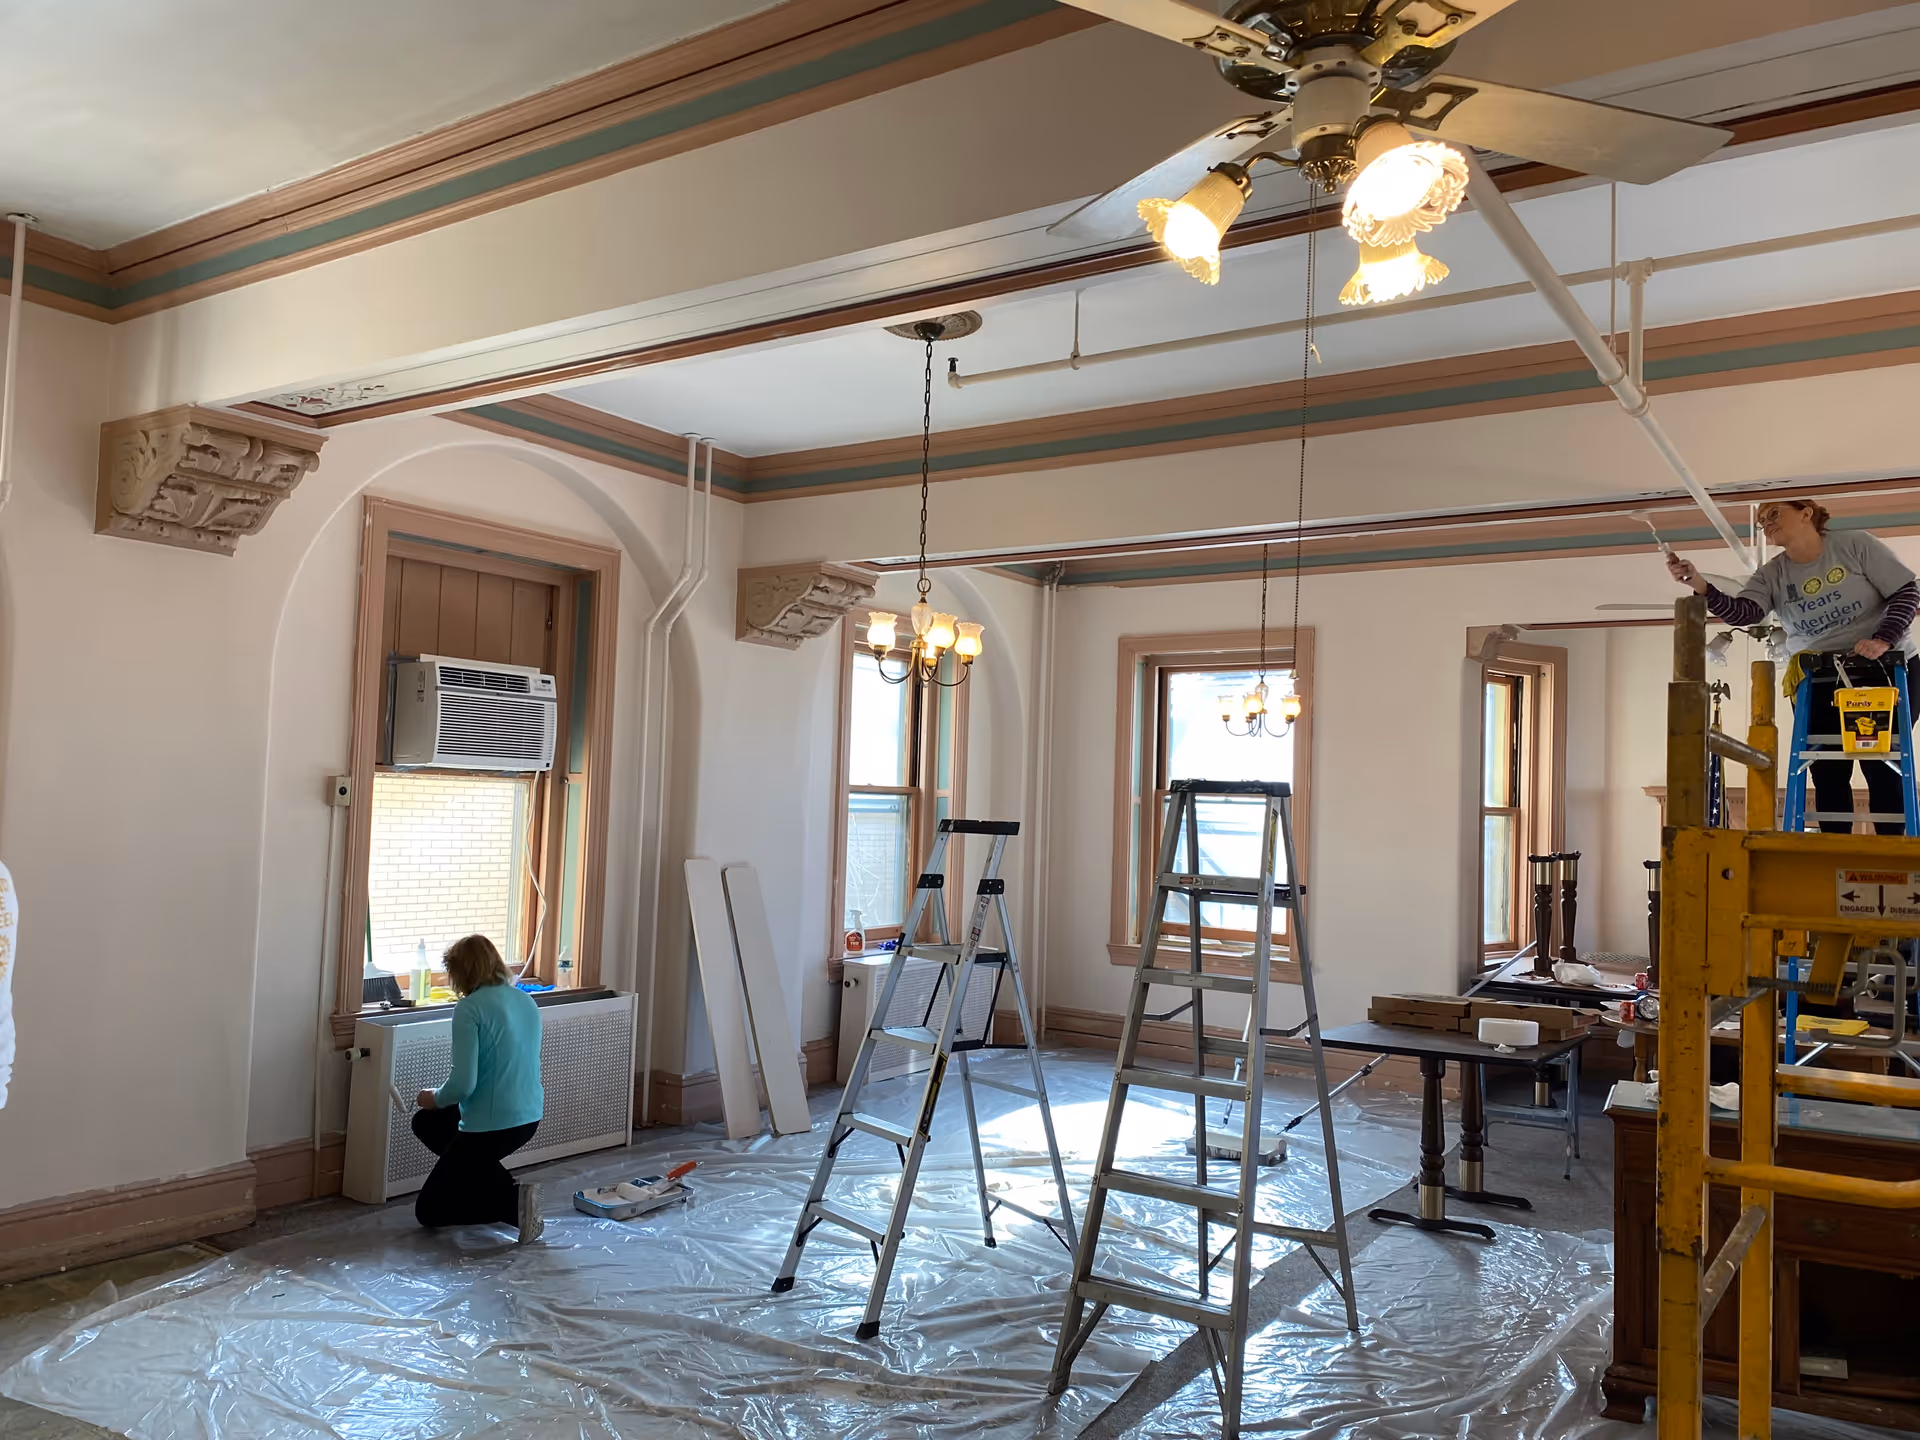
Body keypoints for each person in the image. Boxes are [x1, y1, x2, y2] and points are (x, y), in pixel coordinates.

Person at [1669, 498, 1920, 834]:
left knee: (1882, 763)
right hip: (1819, 673)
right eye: (1760, 520)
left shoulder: (1855, 545)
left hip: (1884, 666)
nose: (1766, 523)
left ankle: (1891, 853)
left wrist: (1883, 639)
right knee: (1826, 770)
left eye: (1774, 514)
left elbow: (1906, 592)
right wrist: (1700, 584)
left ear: (1806, 514)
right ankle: (1834, 851)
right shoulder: (1772, 574)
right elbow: (1744, 613)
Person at [411, 934, 546, 1242]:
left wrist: (432, 1097)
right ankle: (511, 1194)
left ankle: (512, 1207)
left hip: (490, 1125)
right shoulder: (525, 999)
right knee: (427, 1124)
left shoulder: (470, 1009)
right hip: (528, 1118)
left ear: (463, 973)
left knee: (429, 1211)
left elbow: (462, 1085)